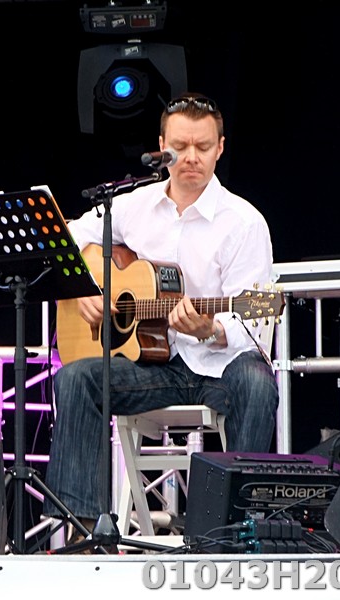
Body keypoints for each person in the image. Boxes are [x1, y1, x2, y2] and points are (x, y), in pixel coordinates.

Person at [44, 93, 279, 529]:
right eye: (179, 147)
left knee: (257, 381)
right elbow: (66, 236)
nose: (191, 158)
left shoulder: (244, 222)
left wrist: (210, 329)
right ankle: (83, 528)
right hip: (152, 366)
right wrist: (81, 289)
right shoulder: (131, 205)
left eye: (202, 147)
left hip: (218, 369)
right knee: (76, 377)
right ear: (160, 147)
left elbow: (253, 321)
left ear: (220, 147)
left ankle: (238, 527)